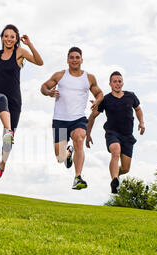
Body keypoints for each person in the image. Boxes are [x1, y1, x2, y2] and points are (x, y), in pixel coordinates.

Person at [41, 47, 103, 190]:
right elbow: (44, 87)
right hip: (60, 120)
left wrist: (98, 101)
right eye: (72, 57)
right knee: (60, 158)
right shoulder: (60, 75)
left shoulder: (89, 78)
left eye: (77, 57)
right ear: (68, 60)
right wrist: (49, 93)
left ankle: (78, 177)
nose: (74, 60)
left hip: (78, 118)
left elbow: (99, 93)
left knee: (79, 139)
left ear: (81, 59)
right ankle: (68, 152)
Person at [0, 24, 43, 182]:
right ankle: (8, 130)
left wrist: (30, 45)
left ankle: (2, 164)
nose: (9, 39)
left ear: (16, 39)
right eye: (6, 36)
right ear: (2, 38)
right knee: (2, 101)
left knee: (7, 143)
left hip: (15, 101)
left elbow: (40, 62)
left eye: (12, 36)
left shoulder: (19, 53)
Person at [86, 71, 145, 193]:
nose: (117, 84)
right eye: (115, 81)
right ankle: (114, 181)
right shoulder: (105, 100)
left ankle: (116, 175)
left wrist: (141, 122)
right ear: (110, 84)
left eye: (119, 81)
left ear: (122, 83)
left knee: (126, 168)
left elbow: (138, 109)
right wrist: (88, 134)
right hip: (112, 133)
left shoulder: (131, 96)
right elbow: (92, 117)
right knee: (115, 152)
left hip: (128, 136)